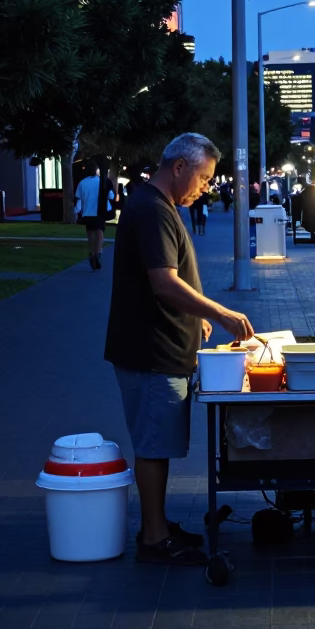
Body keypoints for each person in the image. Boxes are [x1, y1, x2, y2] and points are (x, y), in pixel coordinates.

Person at [104, 133, 255, 565]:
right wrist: (223, 313)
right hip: (151, 351)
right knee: (153, 447)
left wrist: (196, 315)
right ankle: (154, 540)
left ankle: (158, 524)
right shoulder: (152, 209)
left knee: (159, 443)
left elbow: (170, 281)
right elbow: (164, 282)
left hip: (160, 345)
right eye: (203, 178)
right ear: (178, 167)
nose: (205, 187)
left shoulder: (159, 206)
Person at [74, 160, 114, 270]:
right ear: (97, 170)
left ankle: (92, 252)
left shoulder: (82, 183)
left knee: (90, 232)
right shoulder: (103, 181)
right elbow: (111, 196)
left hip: (87, 212)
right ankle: (98, 252)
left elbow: (79, 199)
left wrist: (78, 211)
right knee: (100, 231)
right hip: (100, 211)